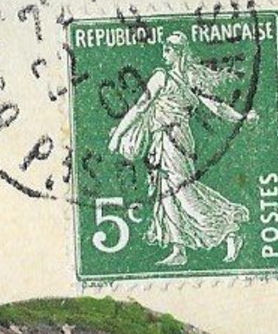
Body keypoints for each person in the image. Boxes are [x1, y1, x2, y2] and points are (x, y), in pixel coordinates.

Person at [108, 31, 256, 267]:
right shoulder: (166, 77)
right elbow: (140, 108)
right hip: (162, 140)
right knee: (165, 193)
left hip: (176, 141)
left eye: (168, 49)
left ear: (178, 53)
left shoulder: (175, 78)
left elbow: (216, 107)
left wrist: (241, 117)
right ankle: (179, 249)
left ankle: (229, 228)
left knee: (183, 193)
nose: (164, 53)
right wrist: (119, 134)